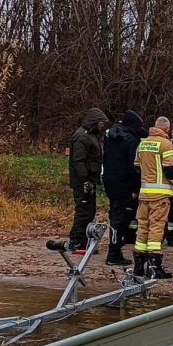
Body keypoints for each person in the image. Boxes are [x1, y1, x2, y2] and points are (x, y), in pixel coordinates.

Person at [132, 117, 173, 279]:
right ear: (167, 129)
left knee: (143, 227)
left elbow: (136, 167)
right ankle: (154, 266)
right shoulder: (166, 144)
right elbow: (170, 169)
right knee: (156, 228)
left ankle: (138, 265)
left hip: (144, 194)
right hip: (160, 196)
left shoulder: (142, 143)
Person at [102, 110, 147, 266]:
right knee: (120, 219)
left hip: (110, 181)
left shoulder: (110, 137)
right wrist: (135, 188)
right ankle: (113, 253)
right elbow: (133, 166)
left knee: (115, 214)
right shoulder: (131, 140)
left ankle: (117, 247)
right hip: (124, 184)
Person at [66, 107, 107, 251]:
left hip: (89, 180)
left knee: (88, 211)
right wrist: (85, 180)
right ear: (94, 122)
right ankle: (78, 242)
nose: (102, 126)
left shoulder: (90, 135)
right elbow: (78, 161)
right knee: (83, 211)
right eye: (100, 123)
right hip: (83, 181)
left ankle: (78, 238)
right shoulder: (82, 137)